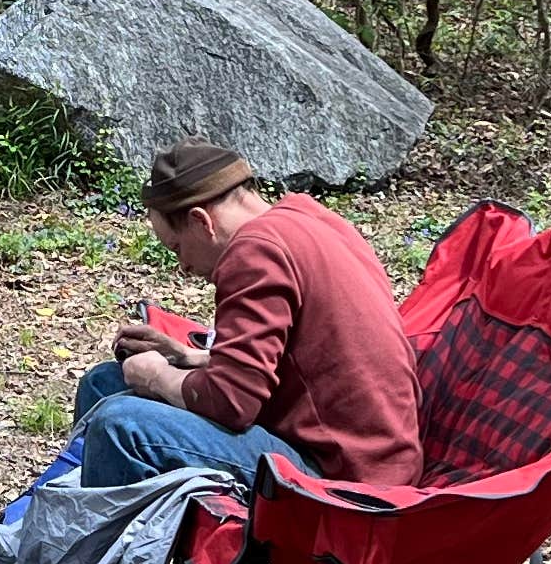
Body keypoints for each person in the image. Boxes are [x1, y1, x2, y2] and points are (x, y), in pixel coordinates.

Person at [67, 140, 421, 494]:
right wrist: (188, 357)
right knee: (105, 383)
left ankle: (103, 546)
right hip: (378, 455)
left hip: (344, 479)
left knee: (119, 424)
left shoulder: (256, 251)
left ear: (200, 220)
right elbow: (308, 353)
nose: (184, 267)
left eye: (177, 248)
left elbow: (231, 403)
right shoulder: (309, 218)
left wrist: (159, 376)